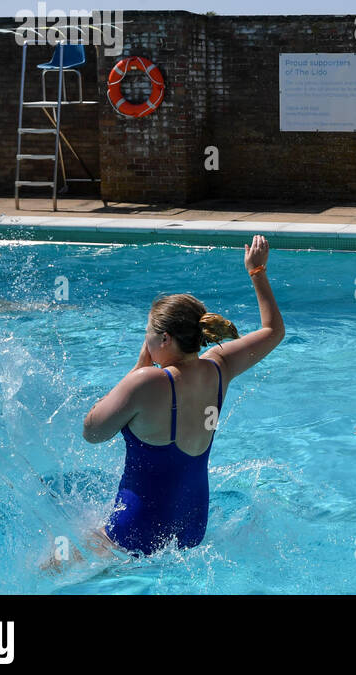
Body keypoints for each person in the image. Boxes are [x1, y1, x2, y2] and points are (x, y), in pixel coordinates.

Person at [82, 235, 284, 556]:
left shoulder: (146, 381)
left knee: (51, 564)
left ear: (164, 338)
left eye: (146, 332)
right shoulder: (220, 367)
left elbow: (92, 431)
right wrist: (257, 271)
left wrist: (136, 369)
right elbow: (273, 331)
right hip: (192, 526)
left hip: (137, 530)